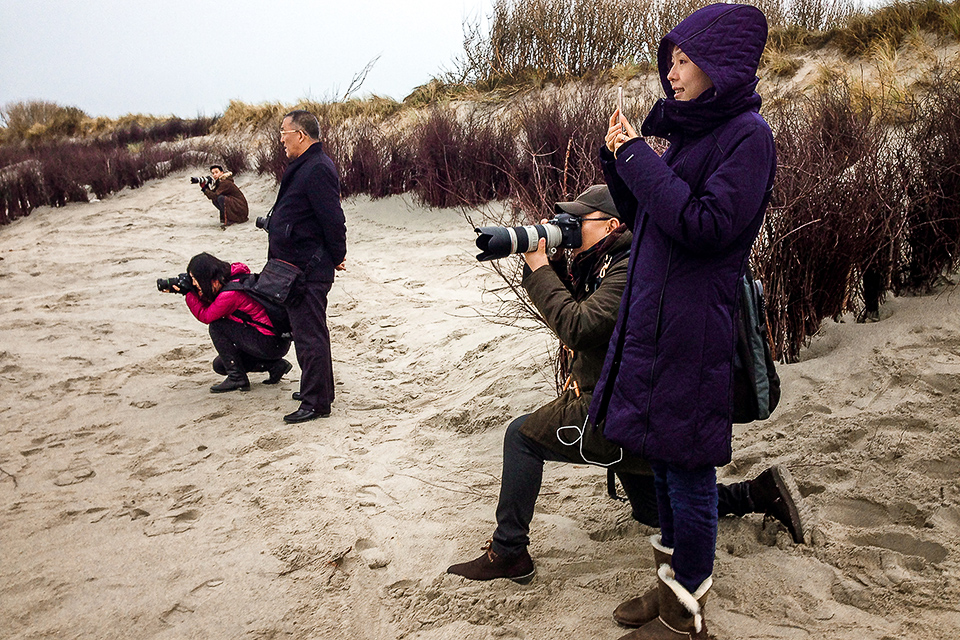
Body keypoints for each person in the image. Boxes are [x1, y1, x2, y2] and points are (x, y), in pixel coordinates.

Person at [446, 187, 801, 589]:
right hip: (638, 405)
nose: (572, 227)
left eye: (581, 221)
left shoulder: (629, 266)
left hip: (621, 408)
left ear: (612, 225)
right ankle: (756, 494)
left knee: (521, 437)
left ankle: (509, 552)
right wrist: (557, 261)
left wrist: (540, 268)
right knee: (654, 510)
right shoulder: (608, 260)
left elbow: (580, 327)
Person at [595, 5, 777, 639]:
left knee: (691, 466)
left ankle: (687, 611)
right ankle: (671, 583)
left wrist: (642, 159)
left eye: (682, 60)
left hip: (696, 327)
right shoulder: (689, 131)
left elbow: (706, 227)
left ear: (718, 66)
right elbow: (644, 213)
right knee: (666, 459)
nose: (670, 73)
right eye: (669, 60)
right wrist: (620, 156)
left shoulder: (748, 136)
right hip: (655, 319)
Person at [267, 110, 347, 424]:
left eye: (283, 132)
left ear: (300, 135)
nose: (281, 138)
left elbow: (333, 218)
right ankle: (315, 390)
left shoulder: (317, 168)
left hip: (309, 268)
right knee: (304, 332)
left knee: (310, 333)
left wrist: (337, 255)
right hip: (296, 266)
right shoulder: (305, 166)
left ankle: (317, 402)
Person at [167, 252, 292, 392]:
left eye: (195, 279)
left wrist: (189, 294)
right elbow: (215, 303)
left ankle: (237, 379)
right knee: (220, 365)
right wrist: (192, 291)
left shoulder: (230, 294)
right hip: (274, 341)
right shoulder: (232, 278)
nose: (195, 284)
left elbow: (206, 316)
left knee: (217, 327)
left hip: (268, 342)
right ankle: (275, 366)